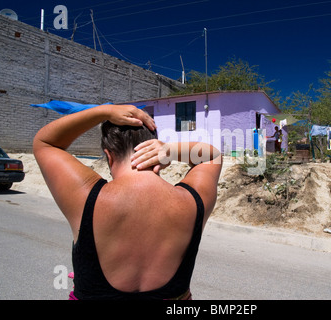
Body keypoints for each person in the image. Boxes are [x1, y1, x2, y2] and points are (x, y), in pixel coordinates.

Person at [33, 104, 222, 300]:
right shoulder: (191, 202)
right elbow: (212, 157)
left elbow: (45, 142)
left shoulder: (87, 198)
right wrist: (172, 151)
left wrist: (104, 111)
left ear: (109, 155)